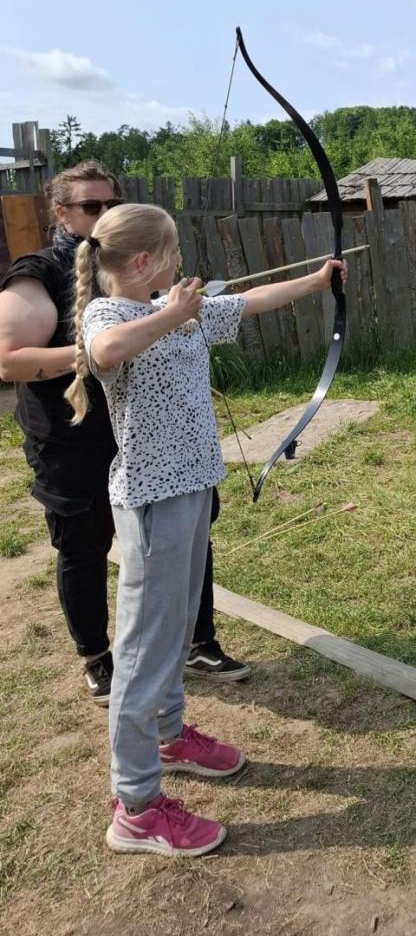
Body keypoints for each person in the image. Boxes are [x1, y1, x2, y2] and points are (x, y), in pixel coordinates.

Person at [67, 201, 346, 855]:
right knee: (144, 650)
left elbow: (250, 301)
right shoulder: (111, 314)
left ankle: (169, 737)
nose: (181, 264)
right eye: (172, 253)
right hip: (152, 500)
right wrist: (172, 314)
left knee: (176, 625)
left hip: (192, 489)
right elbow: (103, 352)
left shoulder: (177, 309)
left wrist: (317, 281)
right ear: (144, 261)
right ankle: (136, 807)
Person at [0, 161, 249, 705]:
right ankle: (97, 657)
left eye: (112, 203)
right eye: (91, 206)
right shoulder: (38, 273)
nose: (104, 213)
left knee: (186, 532)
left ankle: (196, 641)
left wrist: (155, 325)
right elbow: (9, 360)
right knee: (84, 545)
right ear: (61, 213)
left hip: (144, 427)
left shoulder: (134, 260)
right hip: (71, 436)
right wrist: (103, 349)